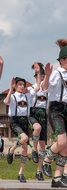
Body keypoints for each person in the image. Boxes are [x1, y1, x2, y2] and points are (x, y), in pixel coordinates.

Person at [4, 62, 41, 183]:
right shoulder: (13, 96)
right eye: (19, 84)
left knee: (25, 150)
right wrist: (10, 89)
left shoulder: (27, 96)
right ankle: (12, 149)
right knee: (24, 138)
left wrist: (39, 73)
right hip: (15, 121)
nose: (21, 86)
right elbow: (7, 101)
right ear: (15, 86)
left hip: (25, 121)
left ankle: (21, 173)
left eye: (22, 85)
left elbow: (37, 88)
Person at [41, 39, 67, 188]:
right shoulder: (57, 74)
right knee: (62, 142)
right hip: (56, 109)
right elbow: (45, 89)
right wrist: (47, 76)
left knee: (66, 146)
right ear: (62, 60)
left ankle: (57, 178)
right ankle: (47, 159)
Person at [27, 63, 47, 181]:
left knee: (43, 146)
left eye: (44, 76)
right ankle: (34, 149)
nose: (43, 77)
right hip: (33, 112)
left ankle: (39, 171)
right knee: (37, 128)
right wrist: (38, 72)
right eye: (41, 76)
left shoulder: (48, 90)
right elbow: (38, 87)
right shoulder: (31, 88)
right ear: (35, 77)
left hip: (43, 113)